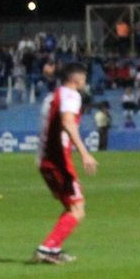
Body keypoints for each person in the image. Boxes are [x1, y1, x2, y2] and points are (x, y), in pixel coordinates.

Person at [34, 63, 99, 266]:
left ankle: (53, 249)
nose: (85, 82)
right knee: (78, 209)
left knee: (71, 206)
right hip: (58, 161)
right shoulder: (71, 95)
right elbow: (68, 122)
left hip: (45, 159)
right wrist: (85, 153)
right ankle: (46, 248)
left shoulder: (51, 97)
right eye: (84, 78)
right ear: (76, 79)